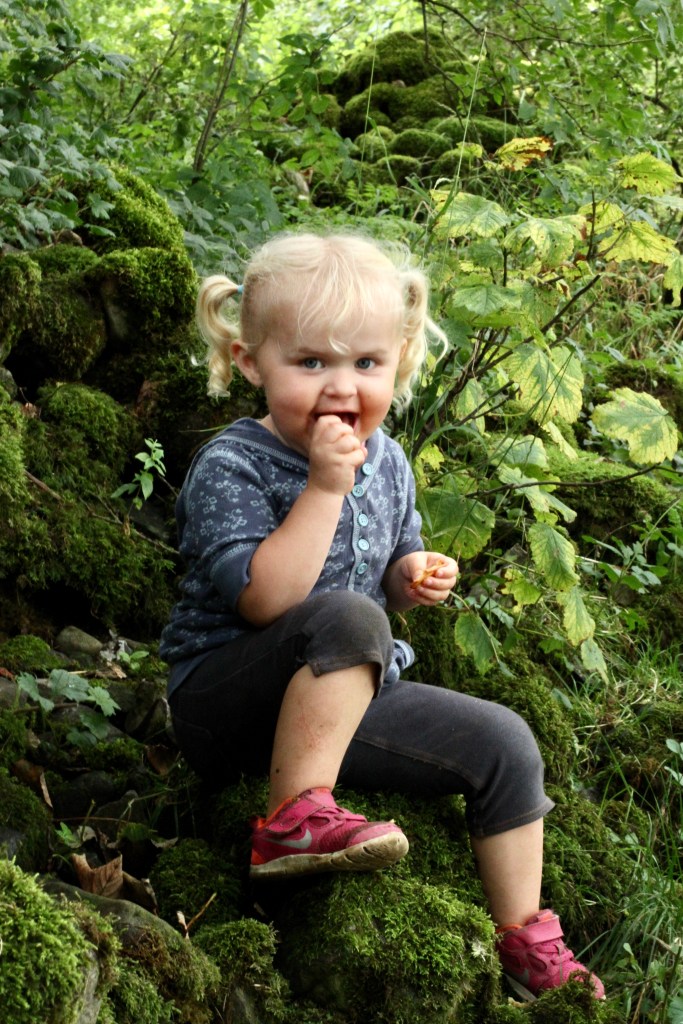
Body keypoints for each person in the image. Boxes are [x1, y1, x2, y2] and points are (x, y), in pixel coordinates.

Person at [159, 232, 604, 1002]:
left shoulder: (388, 459)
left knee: (504, 741)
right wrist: (324, 490)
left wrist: (413, 575)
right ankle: (292, 821)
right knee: (348, 617)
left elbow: (387, 568)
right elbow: (265, 600)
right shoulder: (232, 464)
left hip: (342, 695)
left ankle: (524, 941)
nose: (341, 386)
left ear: (397, 361)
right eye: (310, 363)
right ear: (249, 363)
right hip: (226, 700)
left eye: (365, 363)